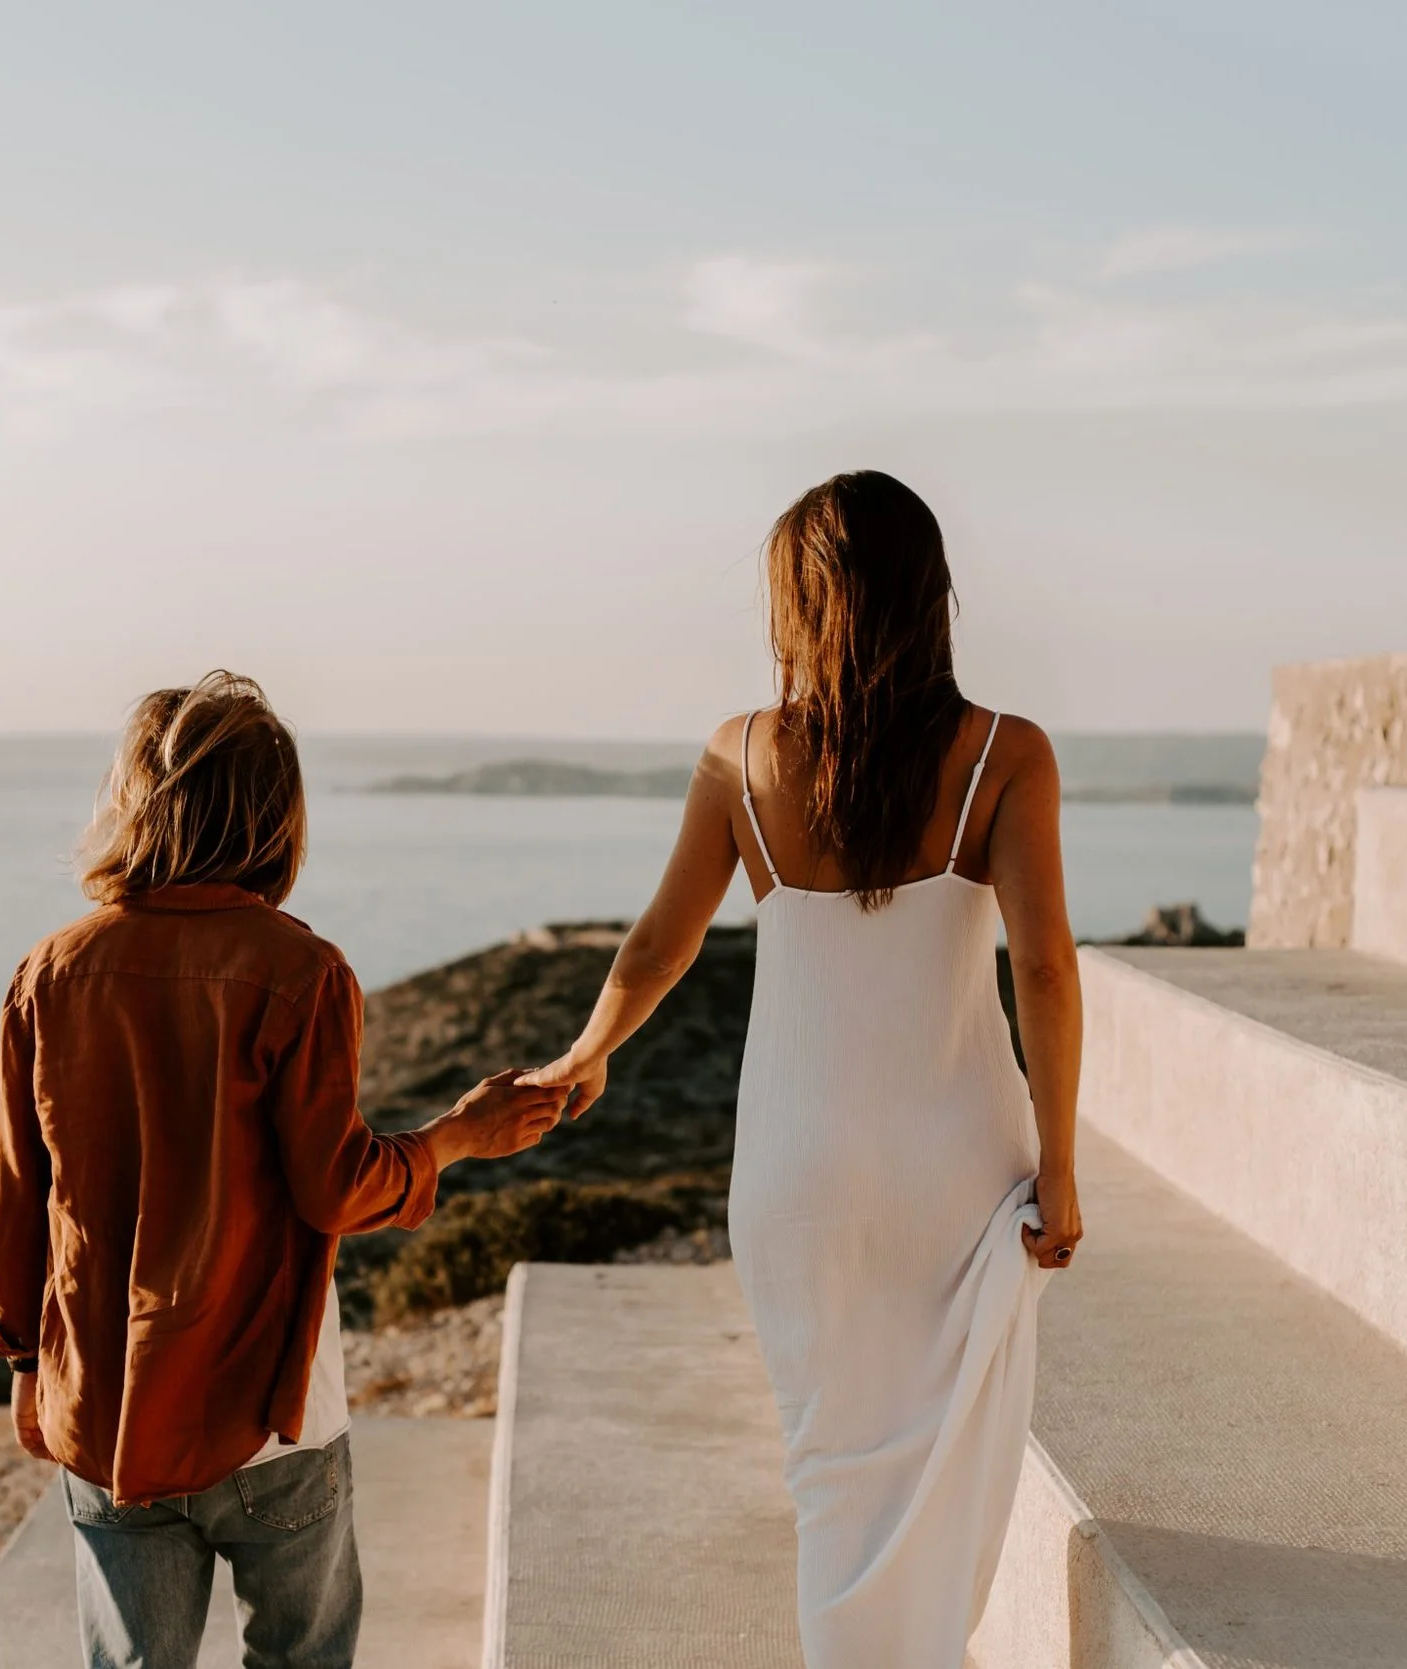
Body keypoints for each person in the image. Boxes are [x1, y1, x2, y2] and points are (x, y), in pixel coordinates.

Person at [522, 471, 1083, 1668]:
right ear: (930, 593)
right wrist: (1064, 1169)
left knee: (831, 1472)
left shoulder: (739, 757)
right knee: (947, 1461)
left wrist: (586, 1052)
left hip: (795, 1172)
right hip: (957, 1166)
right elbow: (1041, 971)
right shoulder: (1006, 755)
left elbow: (658, 943)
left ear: (800, 604)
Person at [0, 671, 565, 1669]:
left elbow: (14, 1205)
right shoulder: (300, 972)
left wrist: (28, 1366)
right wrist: (459, 1134)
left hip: (105, 1403)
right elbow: (335, 1186)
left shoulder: (49, 973)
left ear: (132, 804)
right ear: (274, 815)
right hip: (271, 1414)